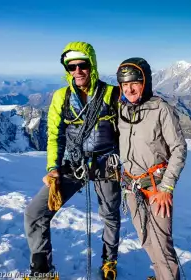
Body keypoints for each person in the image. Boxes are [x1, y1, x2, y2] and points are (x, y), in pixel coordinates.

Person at [24, 41, 121, 280]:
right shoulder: (61, 97)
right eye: (71, 66)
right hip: (72, 165)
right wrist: (53, 168)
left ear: (92, 65)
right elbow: (55, 136)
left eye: (82, 65)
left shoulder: (111, 94)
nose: (77, 71)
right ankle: (42, 271)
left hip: (106, 164)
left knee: (110, 215)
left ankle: (109, 261)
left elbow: (127, 130)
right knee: (35, 213)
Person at [116, 57, 187, 280]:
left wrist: (167, 187)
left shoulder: (161, 109)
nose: (129, 89)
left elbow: (179, 148)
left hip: (157, 189)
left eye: (134, 83)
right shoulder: (121, 110)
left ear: (145, 82)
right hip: (131, 188)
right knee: (146, 238)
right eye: (124, 85)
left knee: (162, 244)